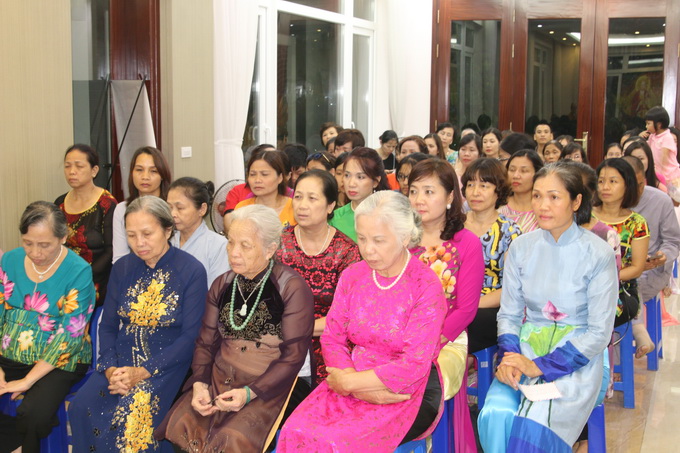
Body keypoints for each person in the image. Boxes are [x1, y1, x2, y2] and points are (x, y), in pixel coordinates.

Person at [277, 191, 447, 451]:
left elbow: (413, 364)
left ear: (404, 237)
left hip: (406, 390)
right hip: (350, 374)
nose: (368, 249)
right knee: (295, 430)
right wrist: (351, 382)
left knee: (336, 443)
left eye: (378, 240)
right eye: (362, 238)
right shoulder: (353, 276)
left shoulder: (425, 285)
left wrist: (349, 384)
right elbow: (332, 337)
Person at [477, 163, 618, 453]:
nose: (543, 205)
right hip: (526, 347)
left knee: (536, 422)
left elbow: (599, 333)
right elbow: (509, 314)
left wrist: (540, 366)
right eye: (537, 196)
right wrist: (510, 357)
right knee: (496, 414)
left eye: (554, 197)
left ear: (576, 202)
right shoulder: (521, 248)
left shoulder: (597, 253)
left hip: (579, 360)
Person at [156, 205, 314, 452]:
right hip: (220, 377)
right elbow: (205, 342)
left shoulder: (291, 288)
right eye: (230, 242)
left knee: (232, 438)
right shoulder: (223, 284)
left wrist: (249, 393)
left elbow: (293, 357)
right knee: (186, 424)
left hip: (271, 385)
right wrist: (200, 383)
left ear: (270, 249)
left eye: (245, 245)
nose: (234, 252)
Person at [69, 196, 208, 452]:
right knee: (81, 406)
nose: (139, 243)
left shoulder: (191, 270)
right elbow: (108, 326)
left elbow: (191, 337)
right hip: (121, 362)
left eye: (147, 234)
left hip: (166, 364)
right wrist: (111, 369)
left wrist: (143, 371)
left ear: (168, 230)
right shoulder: (123, 268)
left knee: (133, 417)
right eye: (131, 235)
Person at [0, 201, 95, 452]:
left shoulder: (78, 271)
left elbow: (71, 335)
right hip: (8, 354)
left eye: (44, 245)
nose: (35, 252)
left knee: (35, 414)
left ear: (63, 238)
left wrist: (27, 380)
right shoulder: (9, 261)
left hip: (60, 360)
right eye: (27, 243)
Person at [408, 159, 485, 453]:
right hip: (402, 335)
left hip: (447, 337)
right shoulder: (401, 240)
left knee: (422, 377)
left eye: (429, 191)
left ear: (451, 196)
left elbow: (466, 309)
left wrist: (429, 341)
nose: (419, 200)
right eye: (413, 191)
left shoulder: (467, 243)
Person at [277, 170, 360, 389]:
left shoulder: (346, 252)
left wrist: (294, 329)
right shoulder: (278, 244)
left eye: (312, 198)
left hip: (328, 346)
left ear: (330, 206)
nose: (302, 205)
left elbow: (347, 316)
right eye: (298, 197)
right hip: (279, 345)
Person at [462, 158, 521, 353]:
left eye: (484, 186)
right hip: (454, 300)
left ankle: (467, 364)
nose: (475, 192)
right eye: (471, 185)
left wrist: (471, 305)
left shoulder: (510, 231)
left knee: (475, 321)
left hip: (488, 304)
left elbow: (512, 287)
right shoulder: (453, 225)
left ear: (498, 191)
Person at [623, 155, 680, 356]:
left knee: (630, 282)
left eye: (640, 184)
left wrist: (662, 256)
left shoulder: (660, 201)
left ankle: (634, 337)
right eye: (629, 185)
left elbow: (673, 241)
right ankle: (618, 353)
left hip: (651, 271)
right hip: (616, 269)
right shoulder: (604, 202)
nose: (636, 190)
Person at [55, 144, 117, 306]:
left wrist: (82, 275)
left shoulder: (107, 205)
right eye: (67, 166)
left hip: (95, 279)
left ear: (94, 170)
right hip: (63, 276)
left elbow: (111, 251)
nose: (72, 171)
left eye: (79, 166)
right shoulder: (59, 203)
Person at [592, 158, 649, 331]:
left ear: (627, 185)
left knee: (598, 313)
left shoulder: (636, 223)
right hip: (582, 286)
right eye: (601, 181)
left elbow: (637, 268)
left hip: (621, 290)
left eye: (613, 181)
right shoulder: (585, 216)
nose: (605, 187)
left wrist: (602, 280)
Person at [112, 146, 172, 263]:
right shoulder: (122, 209)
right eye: (139, 170)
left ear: (162, 175)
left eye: (153, 171)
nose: (145, 177)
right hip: (134, 270)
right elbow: (119, 258)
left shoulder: (171, 208)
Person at [167, 177, 230, 287]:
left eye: (180, 208)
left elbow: (216, 291)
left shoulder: (219, 245)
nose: (173, 214)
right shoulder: (167, 240)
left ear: (202, 209)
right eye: (169, 207)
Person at [329, 147, 390, 242]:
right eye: (347, 175)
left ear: (375, 181)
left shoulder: (389, 215)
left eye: (360, 177)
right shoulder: (334, 219)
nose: (351, 183)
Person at [232, 148, 296, 230]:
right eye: (252, 174)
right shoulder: (242, 207)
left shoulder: (294, 208)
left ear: (280, 177)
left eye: (264, 174)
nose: (257, 180)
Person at [499, 150, 544, 233]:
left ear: (537, 173)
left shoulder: (544, 208)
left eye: (524, 171)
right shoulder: (498, 204)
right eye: (512, 170)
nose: (516, 176)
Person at [642, 106, 680, 201]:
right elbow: (646, 150)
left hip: (670, 176)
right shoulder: (652, 136)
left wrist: (657, 175)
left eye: (648, 123)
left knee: (672, 200)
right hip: (658, 174)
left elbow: (664, 159)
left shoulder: (667, 137)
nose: (646, 126)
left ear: (659, 125)